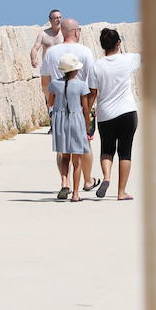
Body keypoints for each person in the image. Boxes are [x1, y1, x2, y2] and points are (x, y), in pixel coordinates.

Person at [41, 18, 99, 191]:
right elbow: (92, 84)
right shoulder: (86, 52)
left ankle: (64, 181)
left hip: (58, 107)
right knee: (83, 145)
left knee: (62, 148)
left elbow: (45, 82)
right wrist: (88, 108)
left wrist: (51, 105)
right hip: (79, 107)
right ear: (76, 31)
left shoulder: (51, 53)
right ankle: (87, 180)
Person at [92, 28, 140, 200]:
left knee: (107, 149)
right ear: (118, 43)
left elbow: (92, 92)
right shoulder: (128, 60)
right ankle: (121, 192)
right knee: (125, 152)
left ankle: (106, 177)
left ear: (102, 45)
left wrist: (87, 113)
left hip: (105, 114)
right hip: (127, 112)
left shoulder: (96, 66)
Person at [46, 54, 93, 201]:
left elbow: (50, 103)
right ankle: (76, 194)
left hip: (60, 121)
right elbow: (85, 108)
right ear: (74, 70)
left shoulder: (54, 83)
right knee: (77, 160)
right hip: (76, 120)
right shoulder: (81, 85)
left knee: (65, 156)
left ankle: (65, 181)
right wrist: (88, 124)